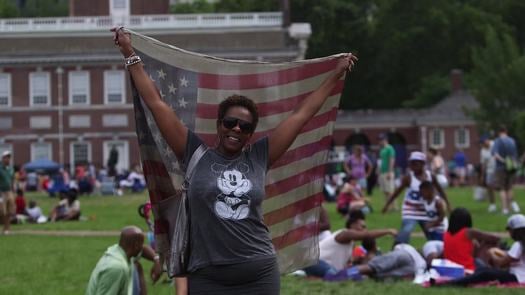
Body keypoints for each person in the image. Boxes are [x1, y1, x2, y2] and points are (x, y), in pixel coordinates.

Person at [112, 26, 357, 294]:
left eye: (245, 127)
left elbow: (301, 116)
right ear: (219, 125)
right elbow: (157, 104)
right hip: (206, 275)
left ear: (251, 134)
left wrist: (335, 74)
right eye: (230, 122)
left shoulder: (259, 156)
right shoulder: (194, 153)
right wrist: (130, 54)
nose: (237, 129)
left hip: (258, 272)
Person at [435, 214, 525, 287]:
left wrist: (491, 252)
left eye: (510, 231)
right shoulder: (521, 244)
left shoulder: (518, 245)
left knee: (485, 273)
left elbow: (500, 263)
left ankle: (451, 283)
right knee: (483, 270)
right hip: (519, 275)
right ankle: (457, 282)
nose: (509, 234)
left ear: (516, 231)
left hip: (518, 277)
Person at [303, 210, 397, 278]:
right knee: (337, 275)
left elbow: (348, 264)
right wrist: (388, 231)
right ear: (353, 225)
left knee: (345, 275)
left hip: (324, 267)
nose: (364, 229)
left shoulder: (351, 244)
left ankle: (313, 277)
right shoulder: (345, 234)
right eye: (362, 226)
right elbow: (367, 235)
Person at [382, 151, 450, 244]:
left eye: (415, 163)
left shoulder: (430, 176)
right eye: (411, 163)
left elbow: (440, 190)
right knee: (406, 229)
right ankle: (398, 248)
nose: (412, 166)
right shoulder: (408, 177)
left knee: (431, 232)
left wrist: (448, 204)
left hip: (426, 210)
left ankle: (436, 248)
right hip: (410, 210)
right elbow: (397, 192)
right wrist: (387, 204)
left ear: (423, 164)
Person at [86, 226, 162, 295]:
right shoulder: (117, 268)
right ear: (136, 246)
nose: (142, 247)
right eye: (141, 244)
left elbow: (143, 250)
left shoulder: (121, 250)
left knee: (137, 266)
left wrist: (157, 260)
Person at [325, 243, 427, 281]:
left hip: (404, 256)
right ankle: (341, 276)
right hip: (412, 268)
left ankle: (338, 276)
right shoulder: (423, 263)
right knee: (375, 272)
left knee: (372, 268)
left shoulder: (415, 250)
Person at [443, 207, 500, 274]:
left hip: (451, 269)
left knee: (475, 243)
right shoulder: (468, 232)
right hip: (467, 268)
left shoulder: (446, 234)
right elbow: (494, 238)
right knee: (489, 243)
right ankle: (496, 267)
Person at [492, 126, 520, 215]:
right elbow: (515, 155)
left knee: (502, 188)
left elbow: (495, 155)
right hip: (511, 168)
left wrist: (503, 160)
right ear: (506, 131)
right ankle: (510, 207)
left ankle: (505, 209)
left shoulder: (497, 141)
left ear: (499, 132)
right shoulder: (512, 141)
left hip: (501, 168)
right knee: (510, 188)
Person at [378, 133, 396, 211]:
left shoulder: (390, 148)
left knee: (390, 190)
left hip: (388, 172)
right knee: (385, 190)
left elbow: (391, 160)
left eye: (381, 140)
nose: (379, 142)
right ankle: (388, 205)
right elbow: (381, 161)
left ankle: (394, 206)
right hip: (382, 171)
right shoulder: (382, 150)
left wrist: (390, 171)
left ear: (385, 140)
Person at [479, 137, 497, 212]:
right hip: (490, 170)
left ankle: (512, 203)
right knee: (490, 187)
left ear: (488, 140)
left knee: (504, 187)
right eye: (482, 143)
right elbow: (483, 164)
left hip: (499, 168)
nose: (484, 144)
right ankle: (492, 204)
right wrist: (482, 175)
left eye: (484, 142)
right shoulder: (483, 151)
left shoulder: (495, 144)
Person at [0, 150, 14, 234]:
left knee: (9, 211)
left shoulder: (11, 169)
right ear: (2, 158)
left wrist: (13, 189)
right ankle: (4, 228)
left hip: (9, 191)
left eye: (9, 157)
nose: (8, 159)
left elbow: (12, 180)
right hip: (1, 191)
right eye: (6, 157)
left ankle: (7, 229)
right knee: (2, 211)